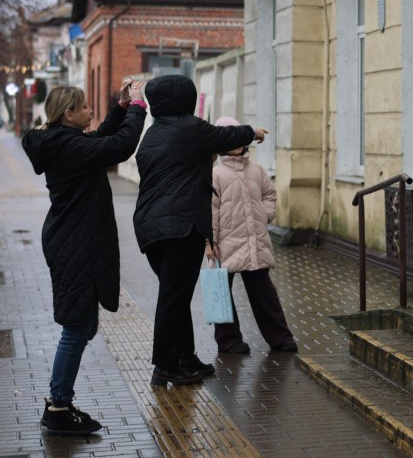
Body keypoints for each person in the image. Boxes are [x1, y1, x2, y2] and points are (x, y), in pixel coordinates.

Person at [22, 80, 147, 435]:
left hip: (73, 240)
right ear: (69, 114)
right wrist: (139, 107)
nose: (91, 110)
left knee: (83, 325)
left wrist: (121, 107)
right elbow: (119, 146)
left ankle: (60, 401)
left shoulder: (65, 141)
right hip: (73, 244)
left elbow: (102, 139)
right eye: (86, 106)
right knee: (76, 327)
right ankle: (58, 405)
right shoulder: (69, 147)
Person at [132, 75, 267, 387]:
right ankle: (164, 365)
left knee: (175, 295)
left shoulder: (152, 134)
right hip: (181, 227)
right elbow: (225, 135)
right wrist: (253, 132)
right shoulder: (191, 128)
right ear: (186, 98)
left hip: (150, 227)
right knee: (173, 298)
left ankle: (184, 356)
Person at [209, 117, 297, 354]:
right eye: (231, 138)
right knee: (221, 292)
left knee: (264, 292)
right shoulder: (216, 174)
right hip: (224, 243)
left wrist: (265, 214)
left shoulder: (256, 170)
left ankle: (280, 338)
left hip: (254, 240)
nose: (237, 144)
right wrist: (210, 241)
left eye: (239, 137)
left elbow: (269, 195)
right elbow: (210, 209)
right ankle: (229, 340)